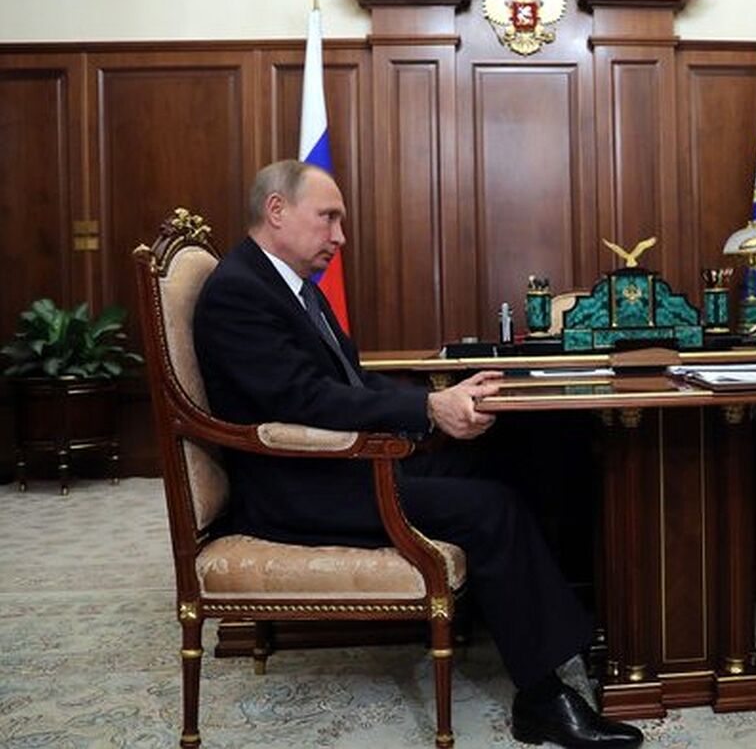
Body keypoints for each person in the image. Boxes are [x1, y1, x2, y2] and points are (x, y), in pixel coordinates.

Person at [193, 159, 643, 748]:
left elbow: (352, 383)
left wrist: (443, 399)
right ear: (276, 210)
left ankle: (573, 634)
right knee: (489, 508)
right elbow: (303, 400)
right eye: (328, 218)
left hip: (343, 462)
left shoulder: (289, 286)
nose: (339, 236)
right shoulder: (238, 292)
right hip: (299, 488)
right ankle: (542, 699)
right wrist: (429, 409)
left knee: (520, 453)